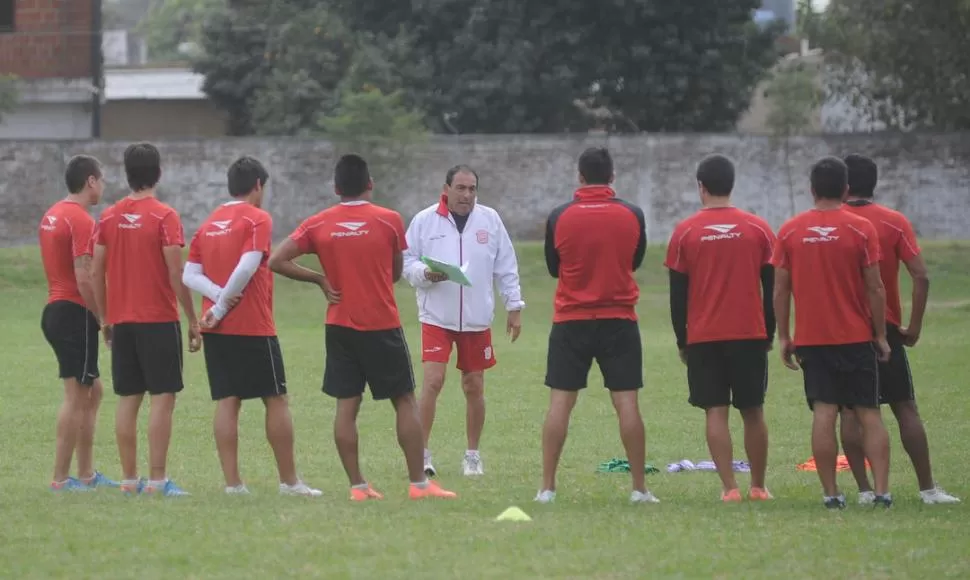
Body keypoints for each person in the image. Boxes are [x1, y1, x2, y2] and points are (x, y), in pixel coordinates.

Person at [268, 153, 457, 501]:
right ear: (370, 184)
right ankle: (419, 485)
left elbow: (276, 260)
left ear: (336, 187)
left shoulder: (318, 223)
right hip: (381, 323)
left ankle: (358, 487)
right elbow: (396, 269)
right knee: (404, 400)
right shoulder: (388, 220)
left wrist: (320, 279)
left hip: (339, 325)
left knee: (347, 405)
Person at [181, 156, 322, 497]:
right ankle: (289, 482)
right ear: (258, 185)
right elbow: (248, 266)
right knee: (276, 399)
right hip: (253, 325)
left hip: (216, 328)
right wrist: (224, 303)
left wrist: (214, 303)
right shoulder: (258, 218)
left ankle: (233, 485)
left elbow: (188, 275)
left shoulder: (209, 223)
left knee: (228, 401)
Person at [536, 147, 658, 505]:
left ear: (580, 176)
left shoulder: (559, 216)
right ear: (613, 177)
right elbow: (634, 260)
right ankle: (639, 488)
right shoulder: (632, 214)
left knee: (560, 404)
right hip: (619, 321)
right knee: (627, 404)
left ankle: (547, 488)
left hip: (571, 321)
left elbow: (553, 267)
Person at [837, 154, 959, 504]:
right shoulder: (893, 221)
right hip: (886, 327)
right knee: (905, 406)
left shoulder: (832, 224)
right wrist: (914, 326)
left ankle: (862, 491)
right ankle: (928, 489)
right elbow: (921, 275)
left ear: (843, 186)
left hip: (844, 330)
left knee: (849, 411)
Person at [771, 156, 892, 509]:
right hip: (856, 337)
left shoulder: (791, 230)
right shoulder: (860, 229)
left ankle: (831, 494)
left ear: (811, 190)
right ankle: (882, 492)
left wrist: (783, 336)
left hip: (812, 339)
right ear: (845, 189)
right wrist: (880, 334)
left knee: (824, 412)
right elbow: (876, 288)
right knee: (869, 412)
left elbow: (780, 289)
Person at [664, 154, 776, 503]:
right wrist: (768, 333)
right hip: (749, 335)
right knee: (753, 409)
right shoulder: (758, 229)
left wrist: (683, 340)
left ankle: (730, 488)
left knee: (716, 410)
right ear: (732, 185)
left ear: (701, 187)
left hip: (703, 336)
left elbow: (677, 296)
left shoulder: (684, 233)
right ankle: (758, 486)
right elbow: (771, 288)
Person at [91, 143, 200, 497]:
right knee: (163, 397)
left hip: (122, 321)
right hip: (158, 319)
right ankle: (156, 480)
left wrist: (105, 318)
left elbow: (96, 271)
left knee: (128, 398)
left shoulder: (108, 217)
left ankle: (127, 479)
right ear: (158, 172)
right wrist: (192, 318)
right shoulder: (164, 216)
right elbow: (175, 271)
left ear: (127, 173)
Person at [402, 165, 525, 478]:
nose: (466, 195)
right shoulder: (424, 220)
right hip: (436, 316)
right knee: (432, 381)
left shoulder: (490, 220)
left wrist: (514, 305)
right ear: (446, 189)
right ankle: (423, 453)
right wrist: (425, 275)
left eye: (471, 189)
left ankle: (472, 455)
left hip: (475, 319)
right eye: (460, 188)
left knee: (474, 386)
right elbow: (406, 262)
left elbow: (505, 265)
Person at [39, 155, 118, 491]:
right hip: (73, 312)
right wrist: (103, 318)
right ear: (90, 181)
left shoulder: (53, 214)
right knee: (77, 395)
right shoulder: (82, 220)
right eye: (102, 179)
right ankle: (60, 478)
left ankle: (86, 474)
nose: (103, 185)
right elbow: (83, 277)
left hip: (55, 311)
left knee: (93, 391)